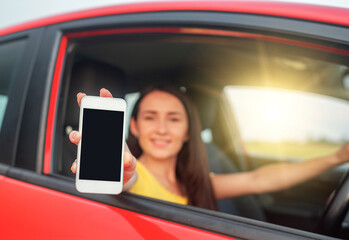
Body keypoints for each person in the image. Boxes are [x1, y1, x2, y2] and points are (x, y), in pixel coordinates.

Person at [70, 86, 349, 211]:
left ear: (189, 131)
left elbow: (260, 179)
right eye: (150, 117)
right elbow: (128, 179)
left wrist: (337, 157)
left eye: (174, 119)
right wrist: (121, 170)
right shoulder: (133, 171)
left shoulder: (197, 182)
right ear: (134, 126)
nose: (162, 129)